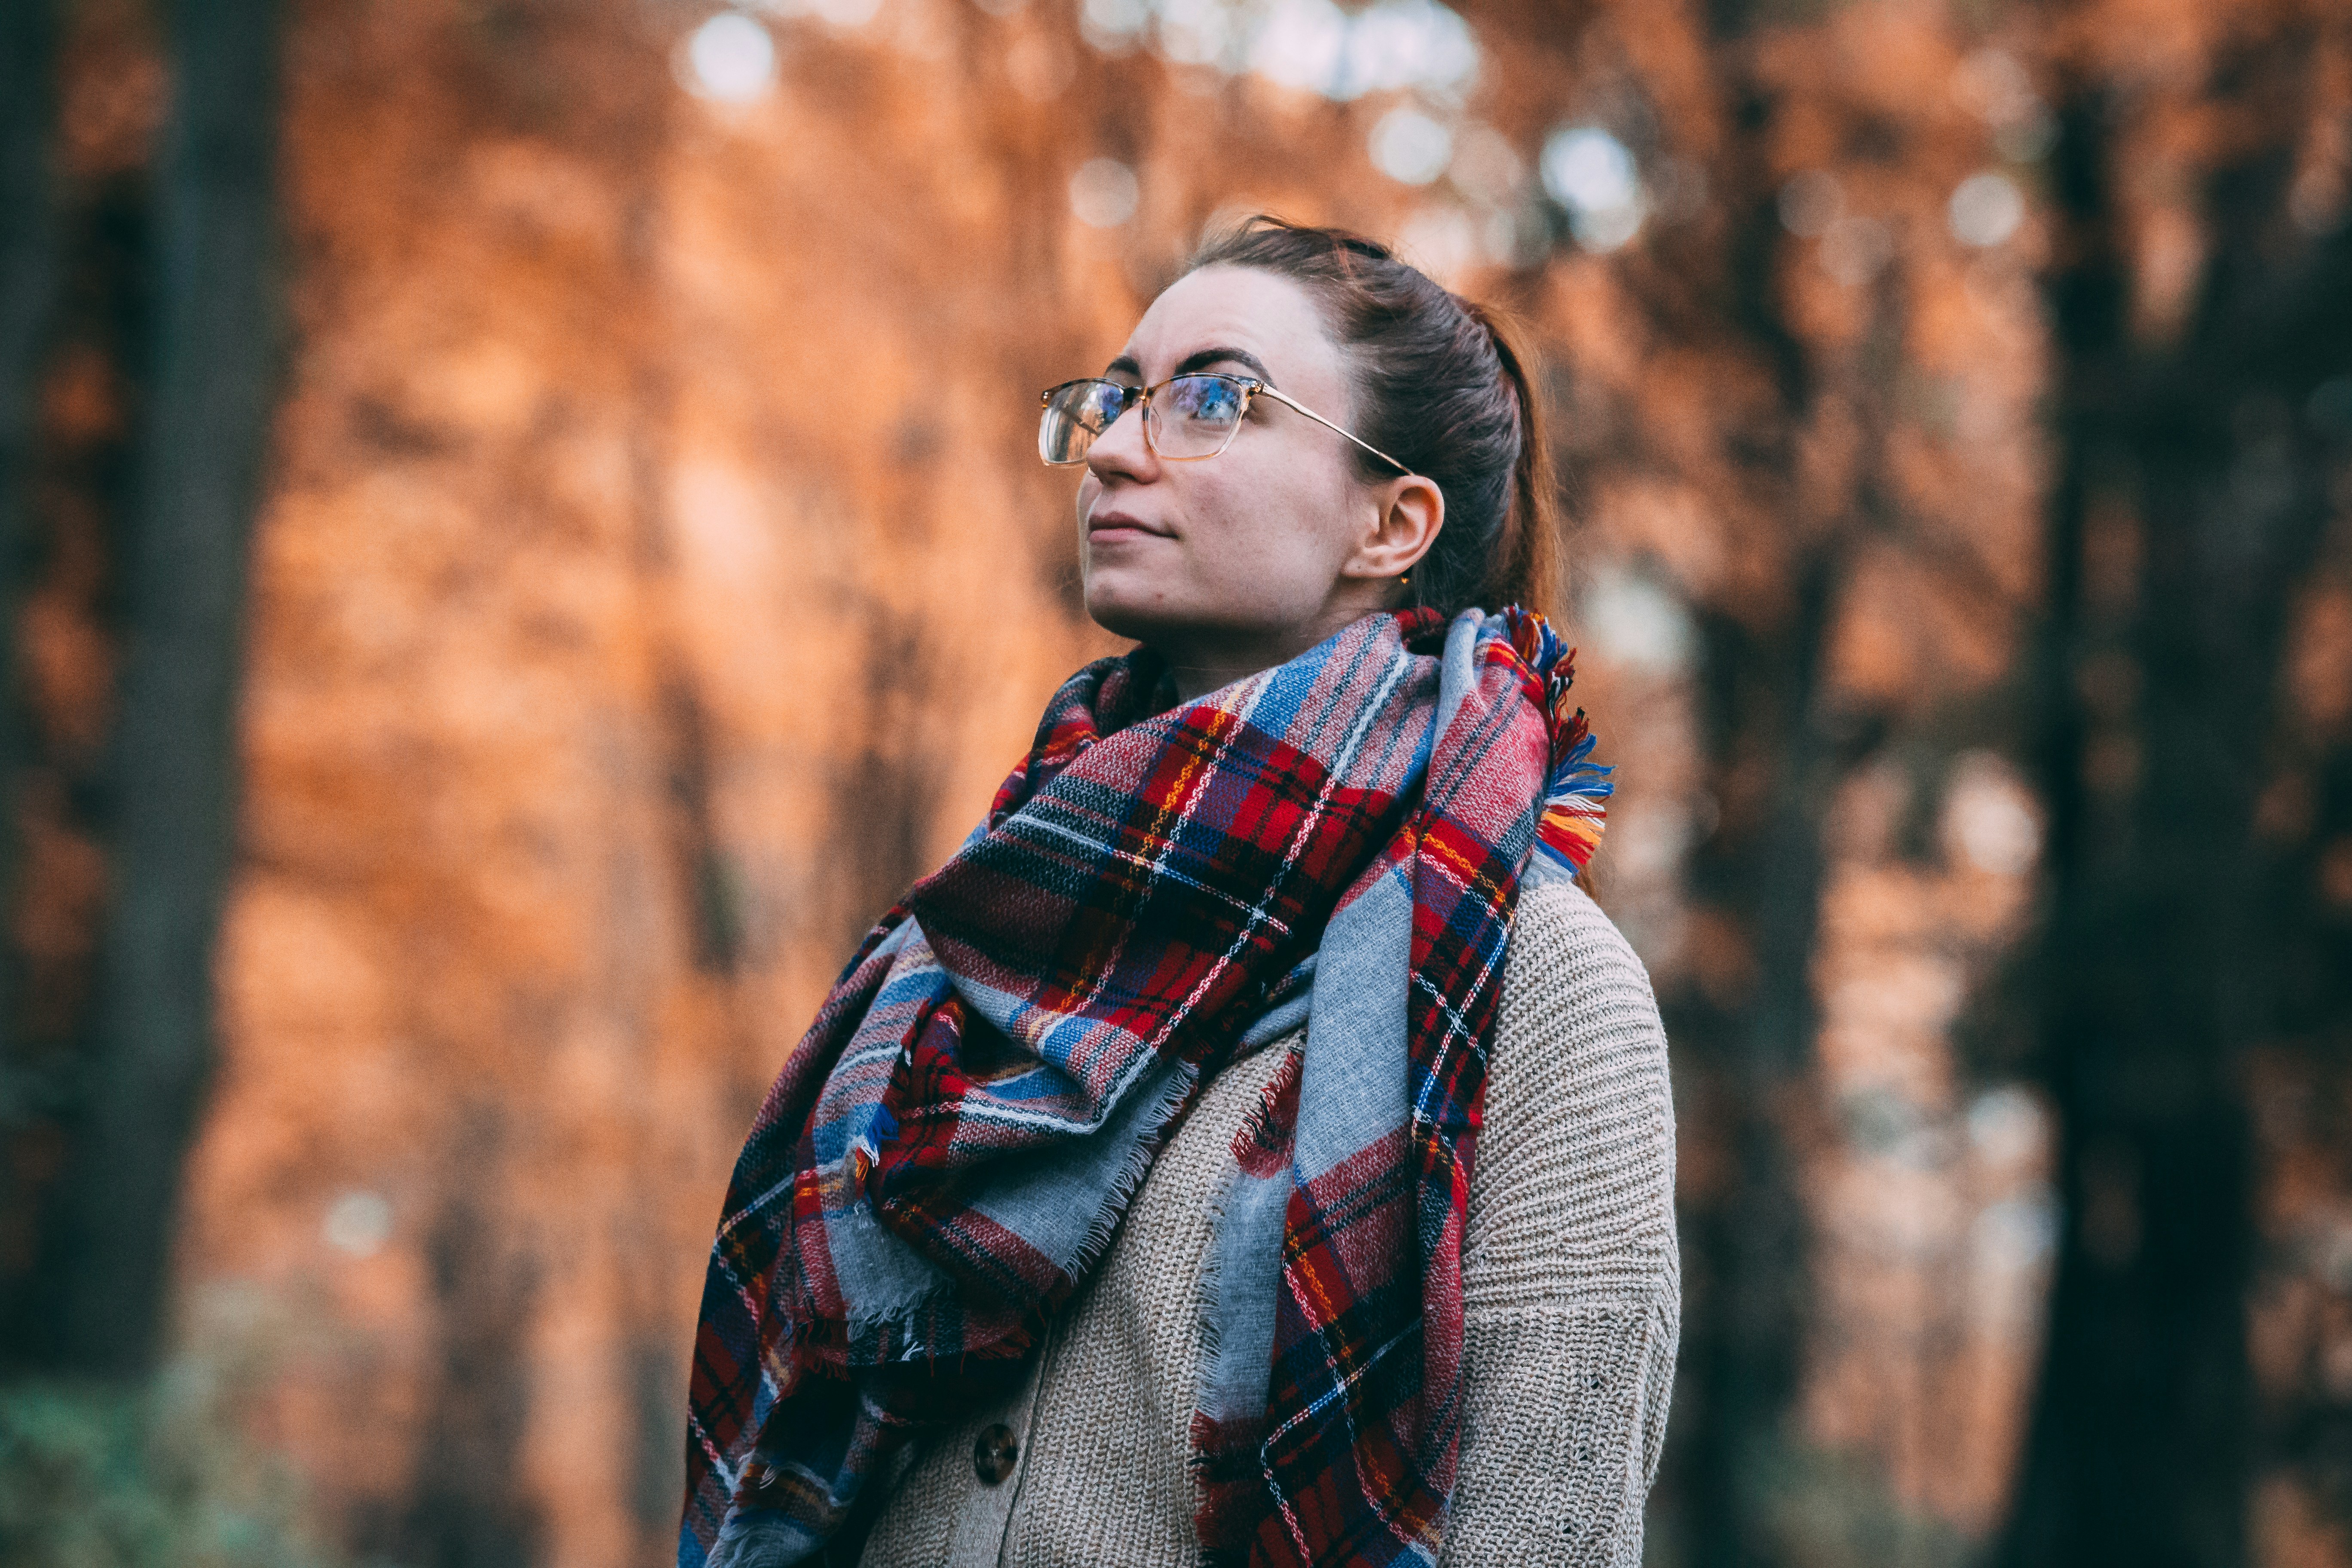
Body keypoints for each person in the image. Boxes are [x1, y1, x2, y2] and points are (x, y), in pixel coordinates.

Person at [680, 217, 1678, 1568]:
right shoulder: (984, 928)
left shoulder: (1539, 991)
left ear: (1392, 522)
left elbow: (1544, 1535)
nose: (1111, 447)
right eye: (1117, 397)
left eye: (1211, 398)